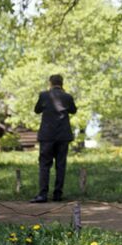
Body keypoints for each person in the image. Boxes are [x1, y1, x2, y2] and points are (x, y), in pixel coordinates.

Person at [30, 74, 77, 203]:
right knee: (60, 165)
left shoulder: (44, 95)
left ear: (50, 83)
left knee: (44, 165)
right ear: (62, 83)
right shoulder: (67, 97)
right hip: (63, 136)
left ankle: (42, 195)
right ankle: (57, 194)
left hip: (47, 136)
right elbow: (73, 110)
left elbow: (37, 110)